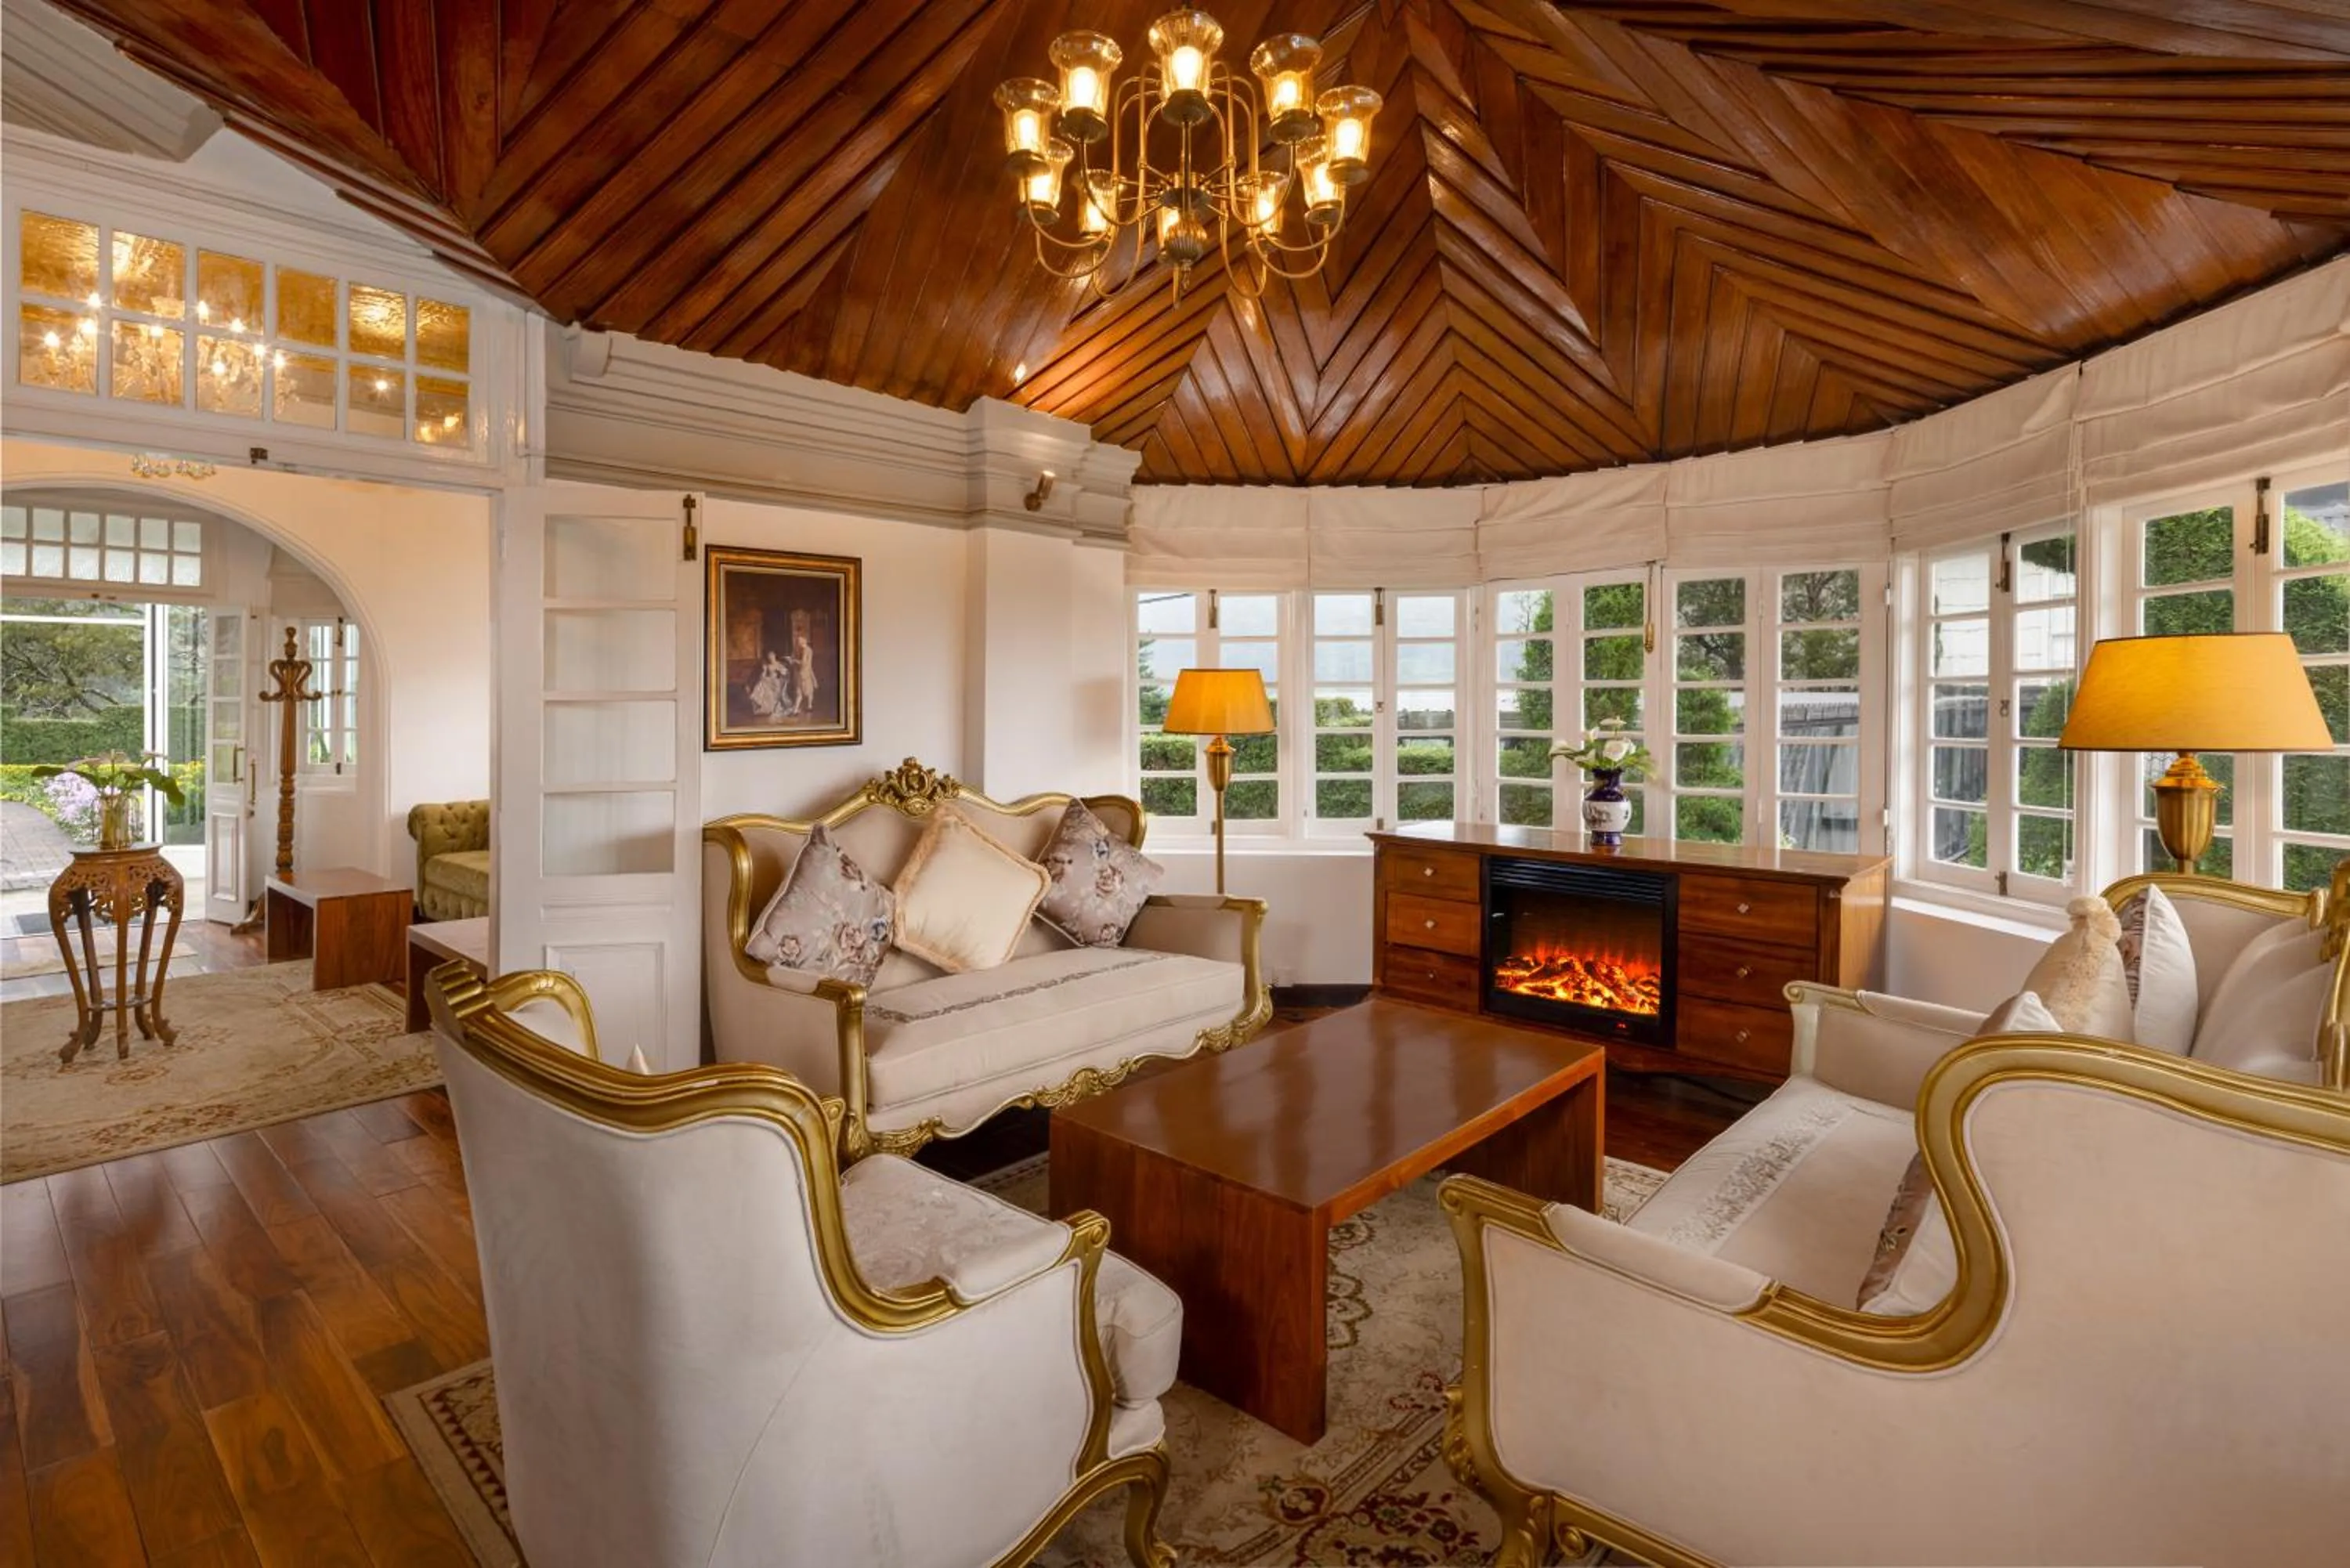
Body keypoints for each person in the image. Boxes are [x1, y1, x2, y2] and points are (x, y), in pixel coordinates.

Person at [748, 649, 789, 721]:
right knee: (761, 684)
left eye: (772, 656)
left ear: (775, 656)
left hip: (776, 681)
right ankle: (761, 706)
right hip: (769, 680)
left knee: (769, 687)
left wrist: (780, 671)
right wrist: (763, 671)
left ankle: (773, 708)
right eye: (769, 657)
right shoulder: (767, 665)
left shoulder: (778, 664)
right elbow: (763, 675)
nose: (771, 658)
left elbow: (785, 673)